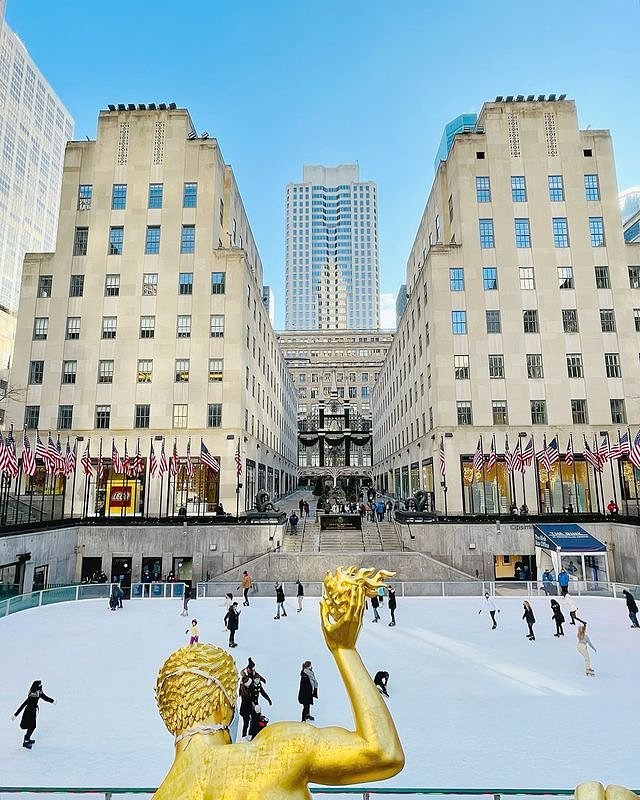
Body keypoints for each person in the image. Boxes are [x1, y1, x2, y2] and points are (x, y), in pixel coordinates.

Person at [151, 567, 404, 799]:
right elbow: (382, 753)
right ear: (221, 702)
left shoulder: (162, 795)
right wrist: (344, 649)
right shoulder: (273, 754)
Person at [13, 680, 55, 749]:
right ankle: (26, 741)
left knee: (32, 726)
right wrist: (15, 714)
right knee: (32, 726)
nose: (41, 686)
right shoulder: (32, 694)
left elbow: (45, 698)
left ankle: (27, 739)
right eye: (39, 685)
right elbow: (25, 703)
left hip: (33, 711)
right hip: (29, 712)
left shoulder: (39, 692)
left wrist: (52, 701)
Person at [239, 658, 271, 738]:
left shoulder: (255, 677)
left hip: (254, 703)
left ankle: (253, 733)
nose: (253, 670)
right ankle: (246, 735)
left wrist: (262, 680)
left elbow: (261, 688)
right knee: (248, 721)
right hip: (249, 705)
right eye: (251, 668)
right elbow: (244, 679)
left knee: (254, 720)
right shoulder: (247, 683)